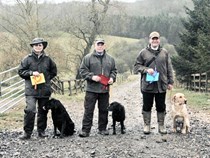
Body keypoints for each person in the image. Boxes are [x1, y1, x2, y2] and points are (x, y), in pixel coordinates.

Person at [134, 31, 174, 135]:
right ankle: (147, 125)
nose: (155, 41)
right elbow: (136, 67)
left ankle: (161, 125)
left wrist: (170, 81)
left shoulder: (164, 52)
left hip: (161, 85)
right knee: (147, 106)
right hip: (148, 85)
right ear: (150, 40)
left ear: (159, 40)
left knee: (161, 106)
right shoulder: (143, 52)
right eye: (153, 39)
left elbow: (169, 67)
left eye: (156, 39)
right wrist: (146, 70)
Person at [18, 38, 57, 140]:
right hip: (31, 90)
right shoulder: (27, 59)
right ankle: (27, 132)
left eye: (40, 45)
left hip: (44, 90)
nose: (38, 47)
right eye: (36, 45)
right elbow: (21, 72)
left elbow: (54, 71)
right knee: (30, 110)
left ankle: (41, 131)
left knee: (43, 111)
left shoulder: (48, 59)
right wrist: (31, 73)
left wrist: (46, 79)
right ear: (32, 47)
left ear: (43, 46)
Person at [78, 38, 117, 137]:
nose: (100, 46)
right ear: (95, 46)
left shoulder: (110, 59)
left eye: (102, 44)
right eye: (98, 44)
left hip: (104, 89)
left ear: (104, 46)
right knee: (88, 109)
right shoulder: (87, 58)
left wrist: (112, 78)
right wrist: (91, 77)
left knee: (104, 109)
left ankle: (102, 129)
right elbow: (82, 71)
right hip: (91, 89)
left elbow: (114, 71)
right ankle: (86, 130)